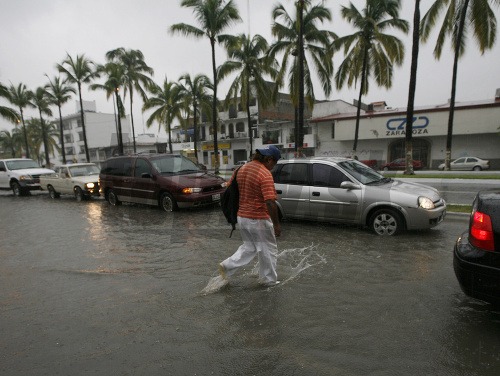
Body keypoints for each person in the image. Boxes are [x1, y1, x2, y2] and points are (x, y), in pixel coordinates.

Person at [218, 145, 282, 287]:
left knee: (250, 247)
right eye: (275, 162)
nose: (274, 166)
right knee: (268, 250)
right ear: (269, 159)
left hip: (242, 217)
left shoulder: (241, 169)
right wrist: (276, 225)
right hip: (258, 218)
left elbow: (228, 188)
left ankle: (227, 265)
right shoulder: (264, 174)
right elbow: (270, 202)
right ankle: (269, 281)